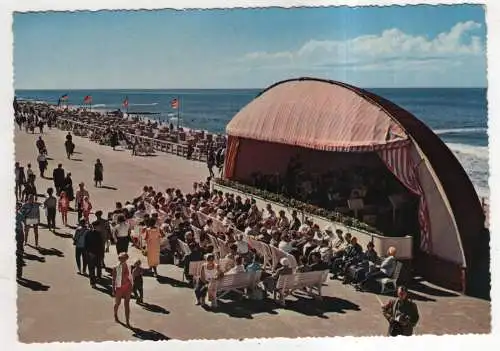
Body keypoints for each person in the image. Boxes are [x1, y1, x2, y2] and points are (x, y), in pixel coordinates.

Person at [112, 252, 133, 326]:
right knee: (117, 303)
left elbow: (130, 277)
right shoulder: (116, 267)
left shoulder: (129, 266)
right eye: (120, 258)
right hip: (119, 287)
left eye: (123, 258)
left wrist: (131, 286)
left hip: (127, 287)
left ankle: (127, 321)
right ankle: (115, 314)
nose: (121, 259)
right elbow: (113, 279)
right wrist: (113, 289)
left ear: (126, 258)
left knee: (127, 304)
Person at [84, 223, 104, 287]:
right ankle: (98, 278)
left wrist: (87, 253)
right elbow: (101, 245)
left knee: (91, 268)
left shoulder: (87, 233)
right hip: (97, 253)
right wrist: (102, 254)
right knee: (98, 266)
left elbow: (85, 244)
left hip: (90, 253)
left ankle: (93, 282)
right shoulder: (98, 234)